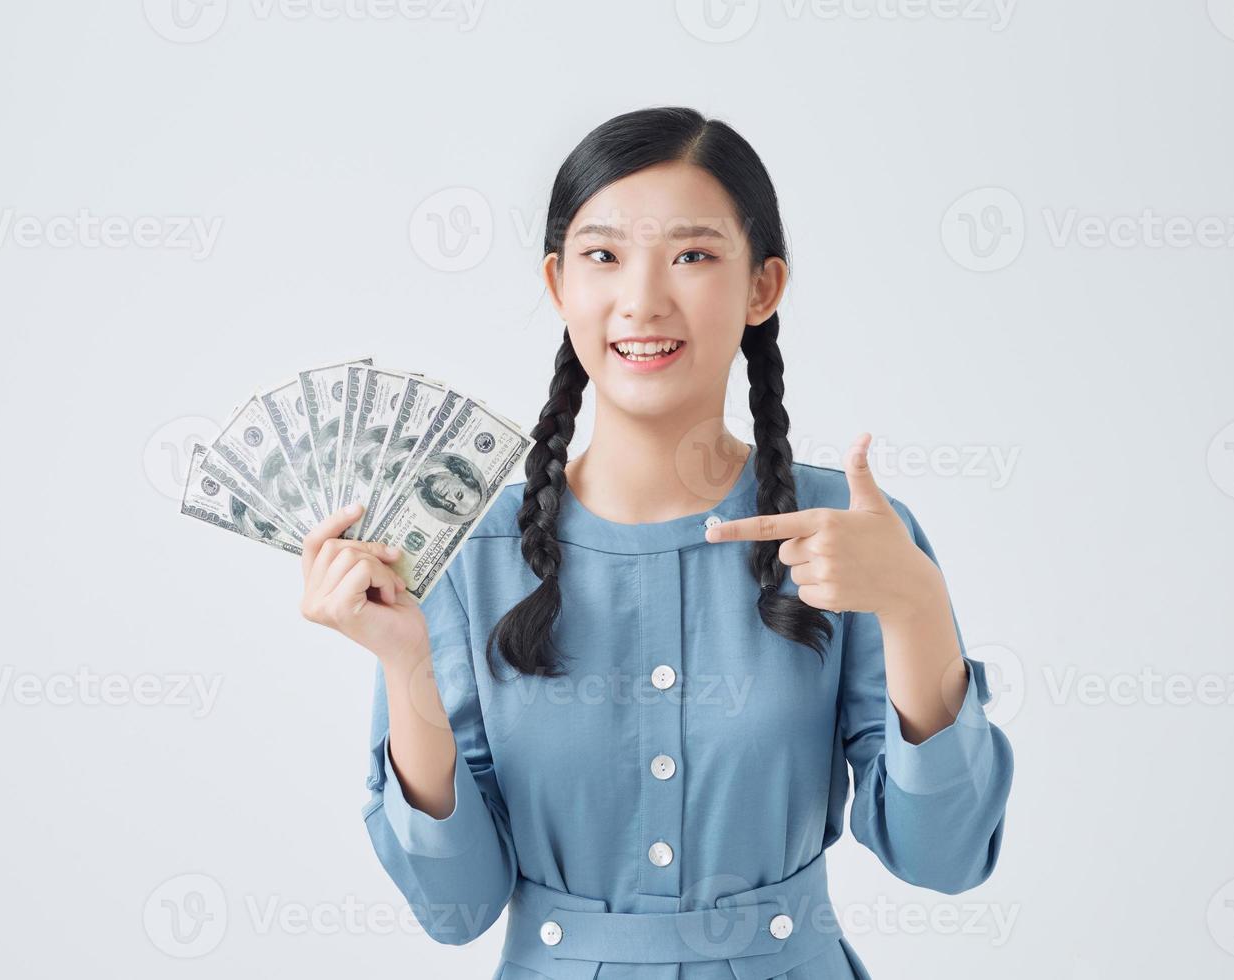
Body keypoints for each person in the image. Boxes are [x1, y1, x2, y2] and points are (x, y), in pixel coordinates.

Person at [299, 106, 1013, 980]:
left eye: (692, 254)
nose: (641, 298)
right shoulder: (466, 554)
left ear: (762, 286)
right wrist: (404, 663)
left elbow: (942, 857)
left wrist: (915, 607)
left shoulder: (849, 536)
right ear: (559, 285)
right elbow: (457, 910)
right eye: (603, 255)